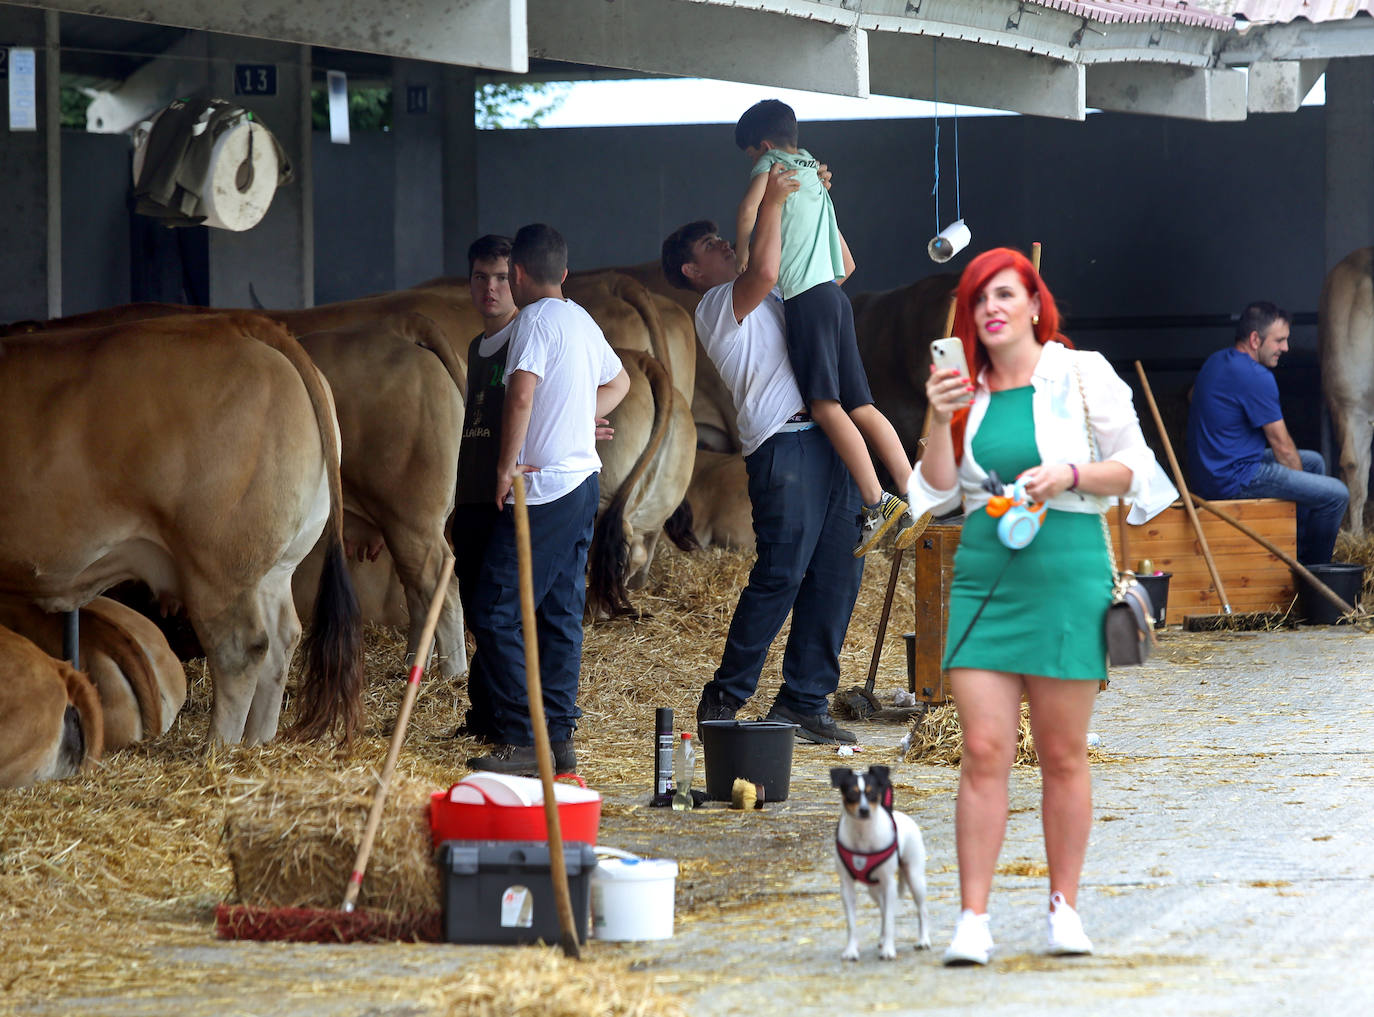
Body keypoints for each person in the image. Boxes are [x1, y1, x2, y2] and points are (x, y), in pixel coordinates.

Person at [909, 247, 1176, 965]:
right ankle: (973, 917)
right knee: (984, 748)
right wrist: (938, 419)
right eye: (977, 299)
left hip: (1067, 570)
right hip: (984, 576)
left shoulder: (1081, 372)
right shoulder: (964, 390)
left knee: (1061, 753)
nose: (990, 308)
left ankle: (1064, 906)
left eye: (1004, 294)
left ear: (1033, 303)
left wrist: (1069, 472)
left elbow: (1137, 472)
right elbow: (932, 493)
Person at [662, 163, 864, 745]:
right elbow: (768, 262)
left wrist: (820, 202)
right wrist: (774, 195)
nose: (725, 245)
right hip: (784, 442)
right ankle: (725, 695)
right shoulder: (719, 305)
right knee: (781, 571)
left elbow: (841, 266)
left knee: (838, 570)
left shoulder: (768, 288)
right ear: (693, 271)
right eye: (710, 245)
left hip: (828, 433)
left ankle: (804, 699)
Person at [465, 223, 630, 775]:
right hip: (583, 483)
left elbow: (520, 394)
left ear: (516, 275)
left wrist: (507, 465)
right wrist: (577, 418)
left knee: (494, 611)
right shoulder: (580, 318)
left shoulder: (533, 322)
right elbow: (621, 382)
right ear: (564, 273)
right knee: (560, 614)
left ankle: (522, 736)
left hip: (543, 491)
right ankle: (557, 740)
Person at [732, 98, 915, 557]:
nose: (755, 164)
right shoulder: (815, 173)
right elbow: (847, 265)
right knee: (863, 405)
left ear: (766, 145)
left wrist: (743, 255)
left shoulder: (774, 166)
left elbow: (748, 211)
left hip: (808, 301)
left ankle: (876, 502)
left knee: (825, 406)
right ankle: (915, 493)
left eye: (751, 154)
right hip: (835, 298)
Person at [1186, 301, 1348, 565]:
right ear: (1254, 339)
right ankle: (1312, 568)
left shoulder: (1217, 361)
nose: (1286, 348)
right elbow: (1283, 448)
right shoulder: (1255, 376)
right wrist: (1304, 490)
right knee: (1336, 495)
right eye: (1279, 341)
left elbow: (1193, 396)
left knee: (1314, 462)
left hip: (1213, 470)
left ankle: (1296, 541)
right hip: (1235, 479)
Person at [451, 235, 518, 743]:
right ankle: (484, 716)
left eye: (499, 277)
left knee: (500, 612)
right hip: (472, 495)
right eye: (480, 278)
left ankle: (508, 725)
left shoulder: (527, 336)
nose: (489, 289)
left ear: (516, 278)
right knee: (478, 610)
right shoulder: (477, 346)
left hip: (508, 498)